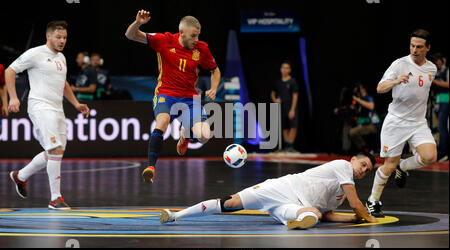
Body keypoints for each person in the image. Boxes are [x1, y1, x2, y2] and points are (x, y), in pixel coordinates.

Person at [160, 152, 378, 229]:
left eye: (367, 170)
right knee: (229, 203)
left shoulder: (340, 194)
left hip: (294, 205)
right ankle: (175, 215)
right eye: (363, 165)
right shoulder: (343, 166)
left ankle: (294, 221)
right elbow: (356, 204)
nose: (363, 170)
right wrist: (368, 218)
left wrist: (352, 220)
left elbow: (329, 214)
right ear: (352, 160)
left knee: (315, 215)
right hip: (280, 188)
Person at [125, 10, 221, 184]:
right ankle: (151, 167)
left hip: (189, 98)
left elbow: (215, 70)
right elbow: (130, 35)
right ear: (182, 33)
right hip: (166, 94)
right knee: (162, 122)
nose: (196, 40)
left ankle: (186, 135)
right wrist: (138, 23)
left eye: (198, 36)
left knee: (205, 135)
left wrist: (214, 88)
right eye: (193, 36)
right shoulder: (164, 40)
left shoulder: (201, 48)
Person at [5, 21, 90, 210]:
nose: (62, 41)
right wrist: (13, 98)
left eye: (65, 38)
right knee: (55, 150)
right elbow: (9, 71)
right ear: (48, 36)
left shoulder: (62, 57)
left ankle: (20, 176)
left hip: (57, 109)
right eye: (58, 37)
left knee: (54, 152)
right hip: (40, 107)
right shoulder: (35, 53)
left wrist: (76, 104)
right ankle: (55, 198)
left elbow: (64, 83)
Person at [366, 29, 438, 217]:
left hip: (418, 123)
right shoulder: (399, 64)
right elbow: (380, 88)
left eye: (419, 47)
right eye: (412, 45)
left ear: (427, 48)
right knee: (389, 165)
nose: (414, 50)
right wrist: (396, 81)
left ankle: (403, 167)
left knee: (430, 157)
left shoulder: (432, 68)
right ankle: (373, 200)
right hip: (396, 122)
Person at [271, 61, 299, 153]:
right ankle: (287, 146)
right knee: (285, 127)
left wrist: (292, 109)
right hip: (281, 108)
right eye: (283, 67)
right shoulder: (278, 82)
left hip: (290, 107)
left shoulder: (292, 82)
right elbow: (273, 93)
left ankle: (290, 145)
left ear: (290, 70)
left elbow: (295, 95)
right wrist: (275, 100)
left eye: (287, 68)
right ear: (280, 69)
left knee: (293, 126)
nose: (285, 70)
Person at [349, 83, 380, 152]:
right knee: (352, 132)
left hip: (373, 125)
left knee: (353, 132)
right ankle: (364, 149)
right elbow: (353, 108)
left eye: (359, 90)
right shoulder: (358, 100)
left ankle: (367, 149)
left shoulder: (368, 98)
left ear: (363, 90)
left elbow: (371, 106)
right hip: (363, 124)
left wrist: (357, 99)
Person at [430, 53, 449, 162]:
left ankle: (443, 153)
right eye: (435, 61)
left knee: (442, 127)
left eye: (438, 60)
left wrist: (435, 82)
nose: (437, 63)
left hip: (446, 100)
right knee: (440, 127)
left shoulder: (447, 71)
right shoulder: (435, 72)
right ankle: (441, 151)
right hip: (437, 102)